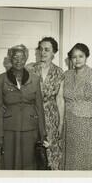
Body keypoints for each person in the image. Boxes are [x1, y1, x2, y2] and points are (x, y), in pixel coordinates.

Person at [0, 44, 47, 170]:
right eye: (15, 57)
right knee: (10, 163)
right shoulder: (0, 79)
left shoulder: (35, 79)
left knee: (30, 164)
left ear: (26, 59)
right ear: (10, 59)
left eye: (22, 58)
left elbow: (39, 106)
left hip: (30, 128)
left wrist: (42, 133)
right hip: (9, 129)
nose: (19, 61)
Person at [26, 37, 64, 170]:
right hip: (33, 115)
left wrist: (60, 124)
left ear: (54, 53)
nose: (43, 52)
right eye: (41, 49)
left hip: (51, 116)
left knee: (51, 151)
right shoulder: (30, 69)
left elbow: (59, 99)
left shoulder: (59, 72)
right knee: (33, 151)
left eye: (47, 49)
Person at [63, 43, 92, 170]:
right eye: (74, 57)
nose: (77, 59)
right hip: (68, 121)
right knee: (70, 155)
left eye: (81, 56)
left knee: (85, 156)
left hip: (86, 122)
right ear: (70, 59)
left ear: (86, 57)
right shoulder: (66, 75)